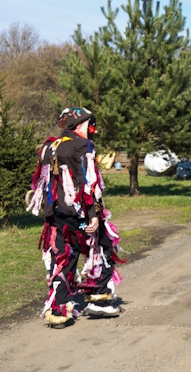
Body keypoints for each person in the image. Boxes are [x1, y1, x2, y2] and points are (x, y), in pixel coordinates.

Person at [27, 107, 123, 327]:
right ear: (80, 125)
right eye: (91, 125)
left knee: (63, 256)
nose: (94, 130)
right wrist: (92, 216)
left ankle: (58, 310)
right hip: (79, 218)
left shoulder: (49, 146)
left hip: (55, 218)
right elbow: (88, 184)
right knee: (102, 244)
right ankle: (98, 297)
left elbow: (42, 183)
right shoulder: (83, 146)